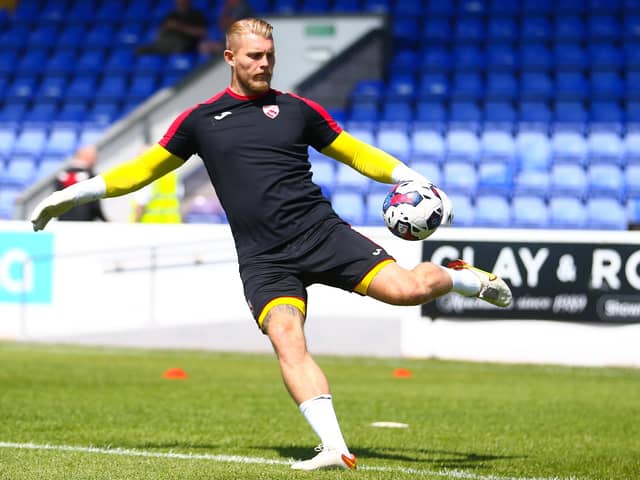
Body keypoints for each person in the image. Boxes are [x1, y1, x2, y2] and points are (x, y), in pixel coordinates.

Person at [31, 18, 513, 471]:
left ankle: (462, 278)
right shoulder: (199, 120)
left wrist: (415, 179)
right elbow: (139, 172)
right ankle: (335, 448)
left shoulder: (297, 109)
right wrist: (68, 194)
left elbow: (356, 154)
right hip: (263, 258)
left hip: (321, 234)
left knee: (405, 291)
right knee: (287, 340)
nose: (264, 64)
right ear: (230, 57)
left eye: (270, 55)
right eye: (255, 56)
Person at [53, 145, 108, 223]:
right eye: (94, 157)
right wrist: (106, 221)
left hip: (64, 223)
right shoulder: (90, 176)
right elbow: (95, 206)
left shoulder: (60, 176)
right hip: (84, 224)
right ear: (87, 157)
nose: (95, 160)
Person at [136, 0, 208, 55]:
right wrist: (166, 27)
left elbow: (202, 32)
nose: (180, 4)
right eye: (178, 3)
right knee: (141, 50)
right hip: (166, 41)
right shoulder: (171, 15)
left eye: (182, 3)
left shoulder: (196, 15)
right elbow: (157, 34)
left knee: (176, 45)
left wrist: (180, 27)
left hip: (185, 43)